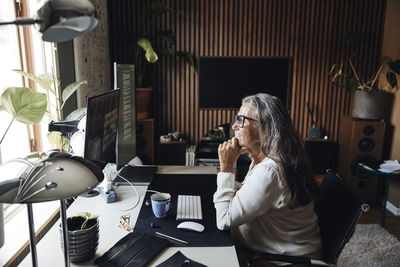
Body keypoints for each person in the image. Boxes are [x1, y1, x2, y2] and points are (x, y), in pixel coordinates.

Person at [213, 93, 322, 267]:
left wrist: (226, 168)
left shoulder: (269, 170)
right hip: (279, 249)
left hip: (287, 261)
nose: (234, 126)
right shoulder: (268, 158)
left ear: (263, 127)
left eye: (241, 120)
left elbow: (224, 220)